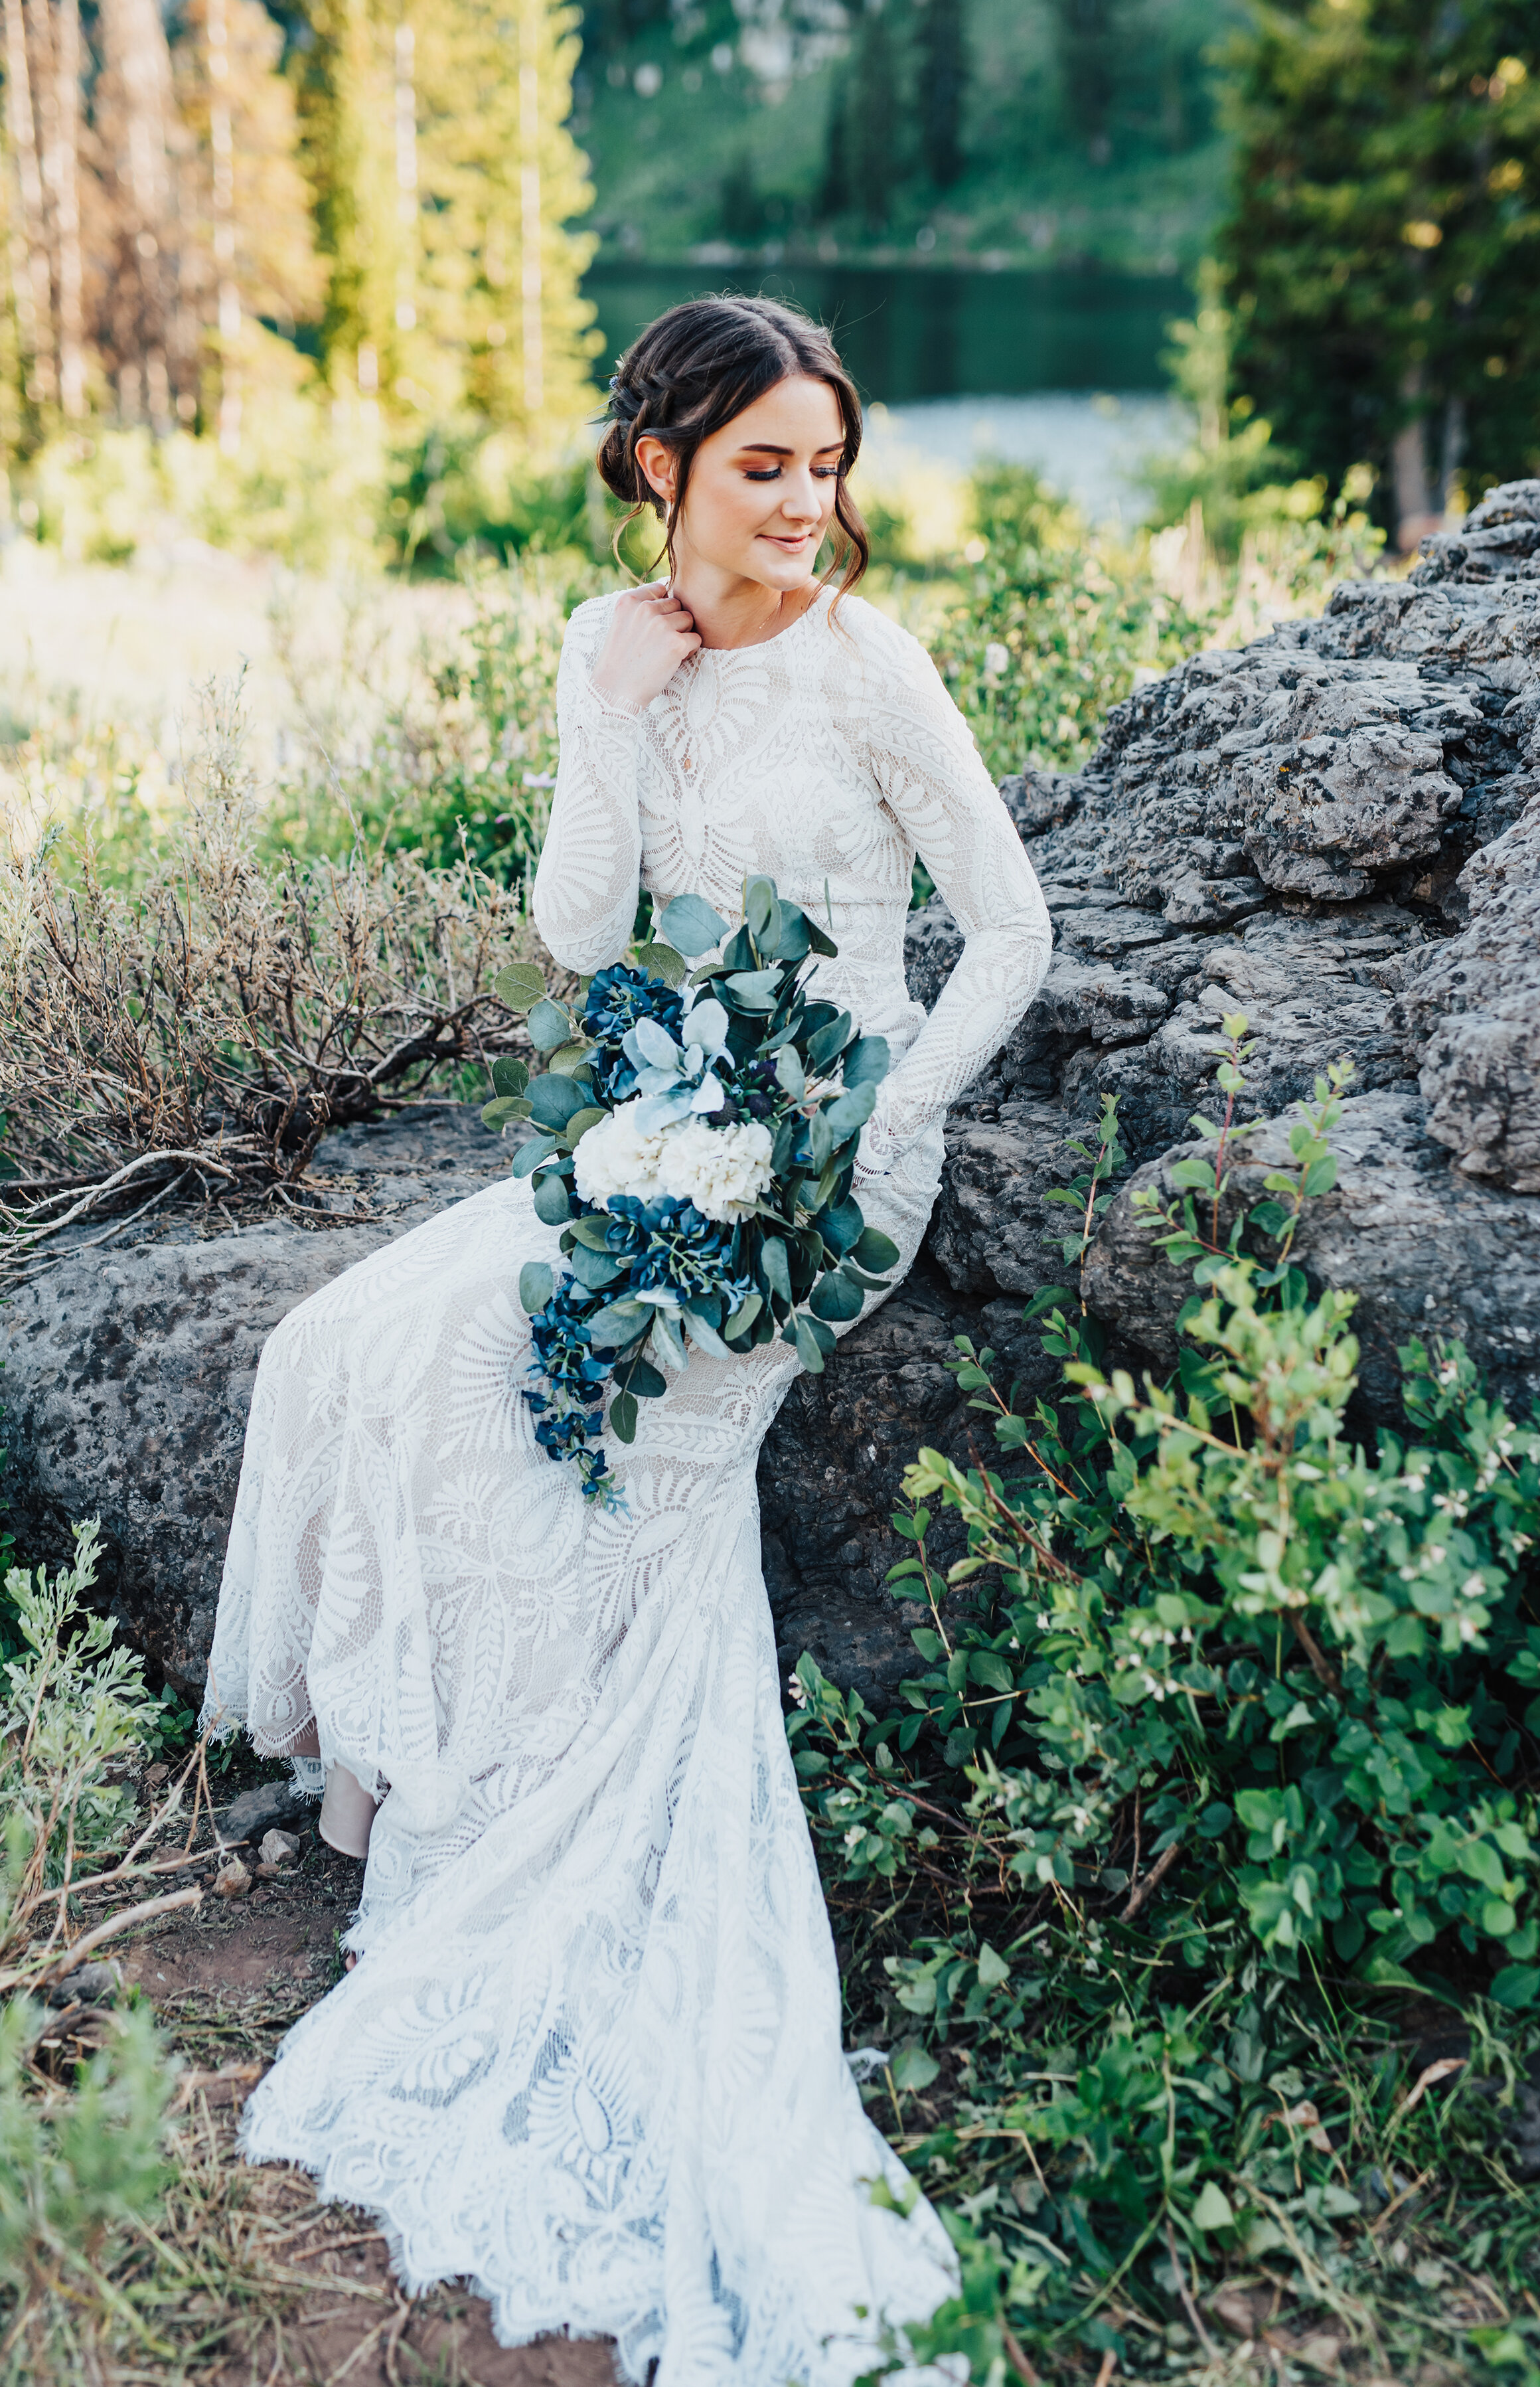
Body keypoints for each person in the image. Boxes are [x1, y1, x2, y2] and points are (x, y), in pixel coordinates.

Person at [203, 293, 1052, 2386]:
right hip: (666, 1129)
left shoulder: (874, 668)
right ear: (659, 465)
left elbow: (1012, 928)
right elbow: (589, 934)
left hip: (831, 1157)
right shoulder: (616, 648)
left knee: (571, 1418)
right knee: (345, 1346)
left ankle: (530, 1845)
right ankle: (454, 1810)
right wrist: (604, 703)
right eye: (762, 462)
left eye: (827, 462)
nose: (807, 502)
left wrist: (886, 1115)